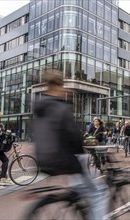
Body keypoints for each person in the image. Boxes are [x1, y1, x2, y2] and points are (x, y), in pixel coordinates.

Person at [33, 69, 108, 219]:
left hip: (42, 159)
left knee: (79, 187)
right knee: (98, 193)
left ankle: (77, 202)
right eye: (62, 85)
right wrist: (83, 146)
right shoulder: (60, 106)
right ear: (58, 85)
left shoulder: (39, 108)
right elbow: (73, 135)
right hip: (63, 159)